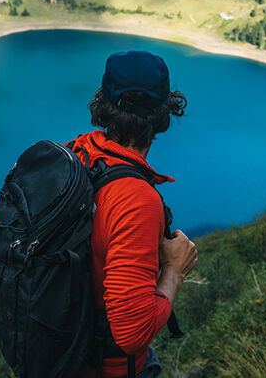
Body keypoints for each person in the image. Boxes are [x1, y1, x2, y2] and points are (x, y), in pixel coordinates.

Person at [69, 50, 198, 378]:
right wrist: (174, 270)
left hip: (60, 354)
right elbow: (132, 334)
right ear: (163, 115)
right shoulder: (135, 200)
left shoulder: (78, 152)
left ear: (103, 104)